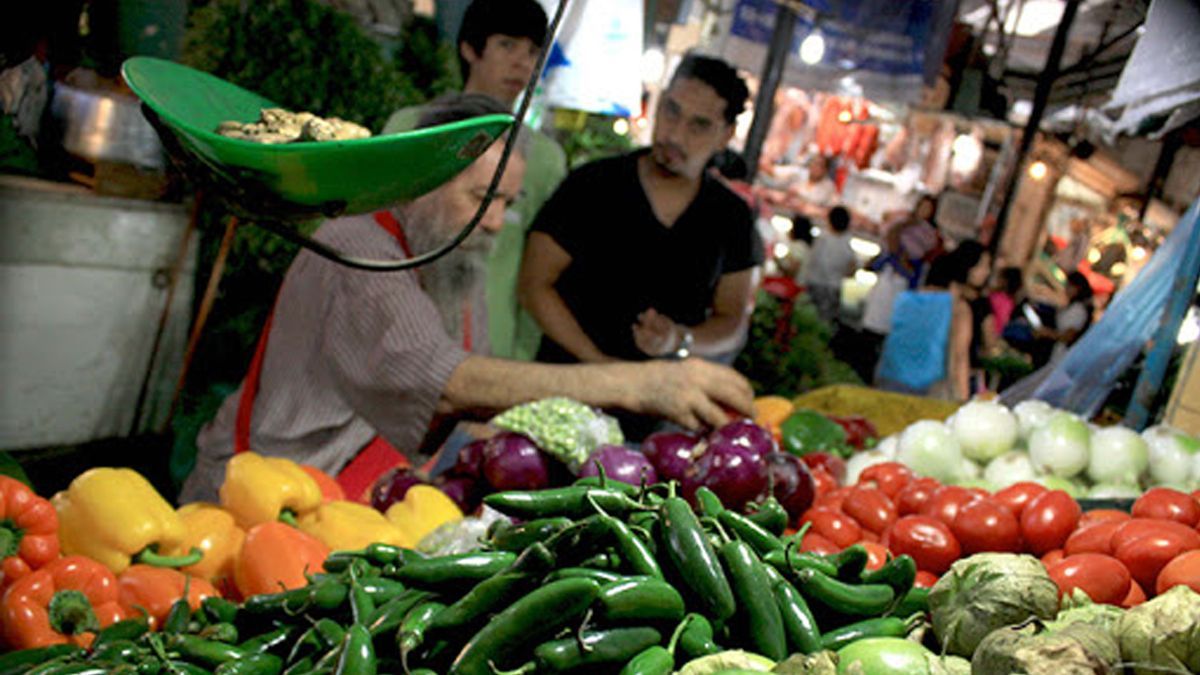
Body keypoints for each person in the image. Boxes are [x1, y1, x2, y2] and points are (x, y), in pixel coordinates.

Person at [181, 95, 753, 504]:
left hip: (347, 501)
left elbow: (473, 398)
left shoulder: (452, 259)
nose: (496, 222)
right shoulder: (357, 247)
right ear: (424, 179)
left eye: (507, 203)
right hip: (258, 502)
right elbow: (449, 383)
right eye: (482, 197)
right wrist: (638, 384)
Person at [520, 54, 763, 371]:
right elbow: (534, 284)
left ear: (726, 136)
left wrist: (679, 339)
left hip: (662, 395)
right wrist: (599, 365)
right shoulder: (593, 185)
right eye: (671, 111)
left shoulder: (731, 217)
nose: (675, 135)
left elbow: (731, 322)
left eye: (699, 125)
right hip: (566, 381)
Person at [382, 0, 567, 362]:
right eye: (507, 45)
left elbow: (538, 271)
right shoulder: (410, 128)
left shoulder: (545, 160)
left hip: (491, 350)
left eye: (533, 51)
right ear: (469, 48)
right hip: (399, 333)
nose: (522, 63)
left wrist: (519, 359)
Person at [875, 241, 989, 401]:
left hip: (889, 377)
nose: (987, 272)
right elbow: (959, 358)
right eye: (983, 265)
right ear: (969, 268)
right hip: (926, 390)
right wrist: (963, 401)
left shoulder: (906, 298)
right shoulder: (958, 308)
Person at [804, 206, 856, 323]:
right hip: (834, 288)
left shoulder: (822, 239)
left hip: (814, 285)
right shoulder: (847, 243)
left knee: (807, 321)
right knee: (824, 324)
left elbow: (811, 262)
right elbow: (852, 270)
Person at [1038, 271, 1094, 362]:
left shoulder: (1078, 310)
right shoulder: (1070, 305)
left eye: (1069, 286)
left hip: (1062, 355)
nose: (1066, 288)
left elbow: (1068, 336)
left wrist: (1047, 333)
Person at [787, 154, 838, 220]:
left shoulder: (829, 187)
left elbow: (831, 211)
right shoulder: (798, 176)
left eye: (819, 165)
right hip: (789, 215)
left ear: (825, 170)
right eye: (814, 163)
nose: (815, 167)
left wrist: (812, 209)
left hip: (813, 220)